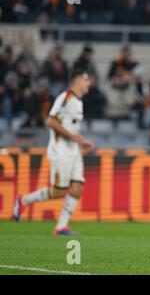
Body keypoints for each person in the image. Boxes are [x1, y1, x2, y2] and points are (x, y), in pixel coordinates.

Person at [12, 69, 94, 235]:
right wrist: (74, 137)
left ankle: (61, 226)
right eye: (86, 80)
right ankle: (23, 200)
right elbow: (51, 121)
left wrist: (81, 141)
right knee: (59, 191)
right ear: (77, 81)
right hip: (60, 149)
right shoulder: (66, 97)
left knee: (78, 187)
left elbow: (70, 127)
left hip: (73, 149)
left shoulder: (78, 102)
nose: (89, 83)